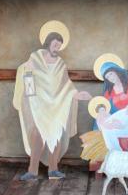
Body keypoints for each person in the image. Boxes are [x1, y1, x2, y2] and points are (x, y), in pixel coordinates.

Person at [13, 20, 92, 181]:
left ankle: (53, 169)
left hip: (57, 105)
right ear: (48, 42)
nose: (57, 47)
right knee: (38, 136)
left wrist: (76, 94)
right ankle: (32, 170)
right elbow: (26, 75)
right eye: (55, 44)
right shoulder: (35, 57)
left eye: (60, 45)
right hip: (38, 104)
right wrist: (27, 74)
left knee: (56, 135)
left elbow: (66, 84)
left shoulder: (60, 63)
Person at [93, 53, 128, 152]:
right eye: (107, 77)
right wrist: (102, 110)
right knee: (105, 127)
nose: (110, 77)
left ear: (116, 71)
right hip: (119, 116)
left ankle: (118, 153)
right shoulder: (109, 90)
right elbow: (103, 104)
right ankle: (115, 153)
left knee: (113, 128)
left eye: (111, 74)